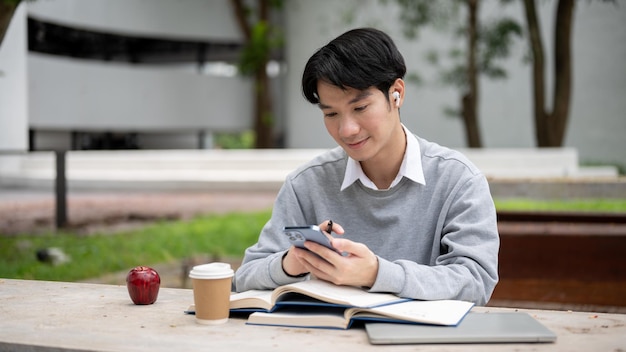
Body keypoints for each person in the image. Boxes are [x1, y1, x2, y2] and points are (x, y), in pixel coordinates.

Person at [234, 27, 499, 305]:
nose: (347, 130)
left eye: (360, 108)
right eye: (331, 113)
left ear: (396, 94)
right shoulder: (306, 184)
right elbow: (244, 276)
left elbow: (476, 282)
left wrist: (376, 273)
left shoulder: (457, 180)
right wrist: (292, 262)